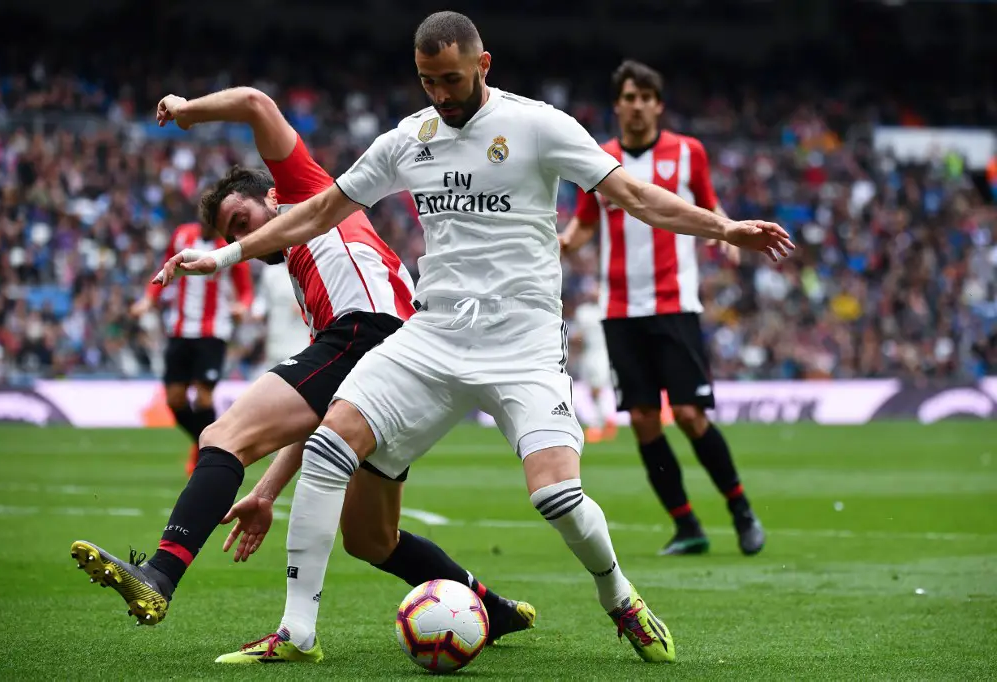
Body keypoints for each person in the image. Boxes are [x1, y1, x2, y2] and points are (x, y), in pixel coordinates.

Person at [153, 12, 792, 664]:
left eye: (453, 79)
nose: (441, 93)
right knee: (326, 446)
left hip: (524, 339)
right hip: (433, 334)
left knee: (556, 497)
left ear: (484, 65)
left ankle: (618, 595)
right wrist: (225, 258)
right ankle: (297, 634)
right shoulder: (410, 138)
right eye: (428, 80)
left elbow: (634, 195)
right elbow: (318, 210)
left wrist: (725, 228)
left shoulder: (538, 125)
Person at [69, 84, 535, 664]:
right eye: (230, 237)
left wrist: (188, 111)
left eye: (241, 220)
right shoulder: (306, 275)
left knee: (222, 438)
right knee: (372, 540)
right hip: (403, 359)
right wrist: (265, 492)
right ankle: (492, 607)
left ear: (270, 195)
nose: (241, 240)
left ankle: (160, 576)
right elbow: (317, 415)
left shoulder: (303, 193)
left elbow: (257, 104)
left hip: (371, 334)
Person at [560, 60, 766, 556]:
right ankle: (687, 524)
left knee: (693, 414)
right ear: (618, 105)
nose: (636, 105)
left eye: (644, 96)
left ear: (658, 104)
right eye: (628, 97)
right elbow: (587, 222)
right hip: (619, 309)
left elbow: (710, 203)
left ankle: (740, 509)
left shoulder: (688, 152)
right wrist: (565, 241)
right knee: (646, 421)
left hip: (676, 303)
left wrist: (729, 232)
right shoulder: (600, 157)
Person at [130, 222, 253, 475]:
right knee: (174, 399)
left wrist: (242, 306)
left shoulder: (231, 247)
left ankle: (208, 454)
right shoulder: (182, 235)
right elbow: (166, 267)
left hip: (212, 333)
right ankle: (205, 442)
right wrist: (148, 298)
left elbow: (245, 290)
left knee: (203, 396)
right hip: (180, 330)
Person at [572, 289, 619, 443]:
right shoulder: (583, 312)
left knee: (598, 388)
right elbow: (579, 335)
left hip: (602, 353)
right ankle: (606, 419)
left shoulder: (606, 309)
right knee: (592, 390)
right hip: (587, 354)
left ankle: (598, 424)